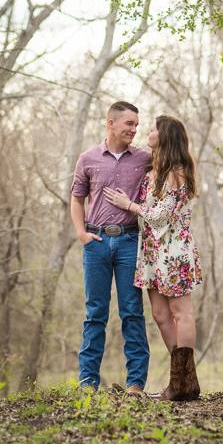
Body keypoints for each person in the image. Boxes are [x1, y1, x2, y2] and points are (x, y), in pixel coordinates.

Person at [104, 115, 202, 401]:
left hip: (173, 250)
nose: (147, 131)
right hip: (151, 252)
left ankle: (181, 385)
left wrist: (129, 205)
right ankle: (184, 381)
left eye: (153, 128)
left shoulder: (177, 172)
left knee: (181, 313)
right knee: (160, 315)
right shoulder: (153, 170)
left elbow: (161, 217)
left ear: (166, 135)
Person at [70, 101, 151, 395]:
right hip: (97, 243)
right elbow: (77, 199)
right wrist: (81, 233)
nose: (134, 129)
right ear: (111, 123)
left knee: (132, 312)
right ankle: (88, 383)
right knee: (95, 313)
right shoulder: (88, 159)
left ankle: (135, 384)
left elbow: (172, 170)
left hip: (130, 241)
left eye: (137, 125)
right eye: (129, 124)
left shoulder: (144, 158)